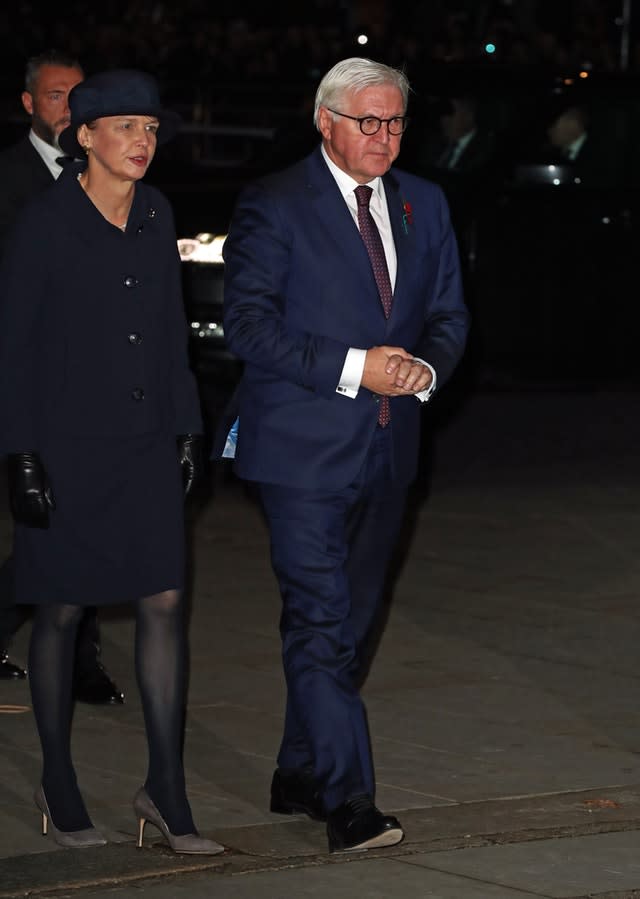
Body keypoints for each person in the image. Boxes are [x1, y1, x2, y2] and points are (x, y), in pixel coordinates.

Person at [222, 57, 469, 853]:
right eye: (369, 120)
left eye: (395, 121)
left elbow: (448, 314)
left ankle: (298, 769)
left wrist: (425, 369)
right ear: (324, 120)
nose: (385, 136)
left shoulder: (423, 202)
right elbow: (249, 329)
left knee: (351, 629)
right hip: (300, 451)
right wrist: (357, 366)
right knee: (321, 623)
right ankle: (348, 799)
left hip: (390, 448)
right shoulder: (274, 202)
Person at [0, 69, 223, 854]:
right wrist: (20, 455)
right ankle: (59, 788)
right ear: (84, 136)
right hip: (66, 448)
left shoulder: (157, 213)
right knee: (60, 610)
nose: (142, 142)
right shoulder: (45, 221)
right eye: (125, 127)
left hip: (145, 442)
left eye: (152, 129)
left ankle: (165, 790)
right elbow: (15, 347)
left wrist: (189, 428)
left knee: (164, 601)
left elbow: (169, 328)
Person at [0, 49, 123, 705]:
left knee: (80, 520)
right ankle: (77, 661)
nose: (68, 107)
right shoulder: (10, 180)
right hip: (33, 379)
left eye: (78, 95)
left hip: (98, 379)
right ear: (29, 104)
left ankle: (82, 658)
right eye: (55, 95)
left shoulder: (103, 175)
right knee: (54, 523)